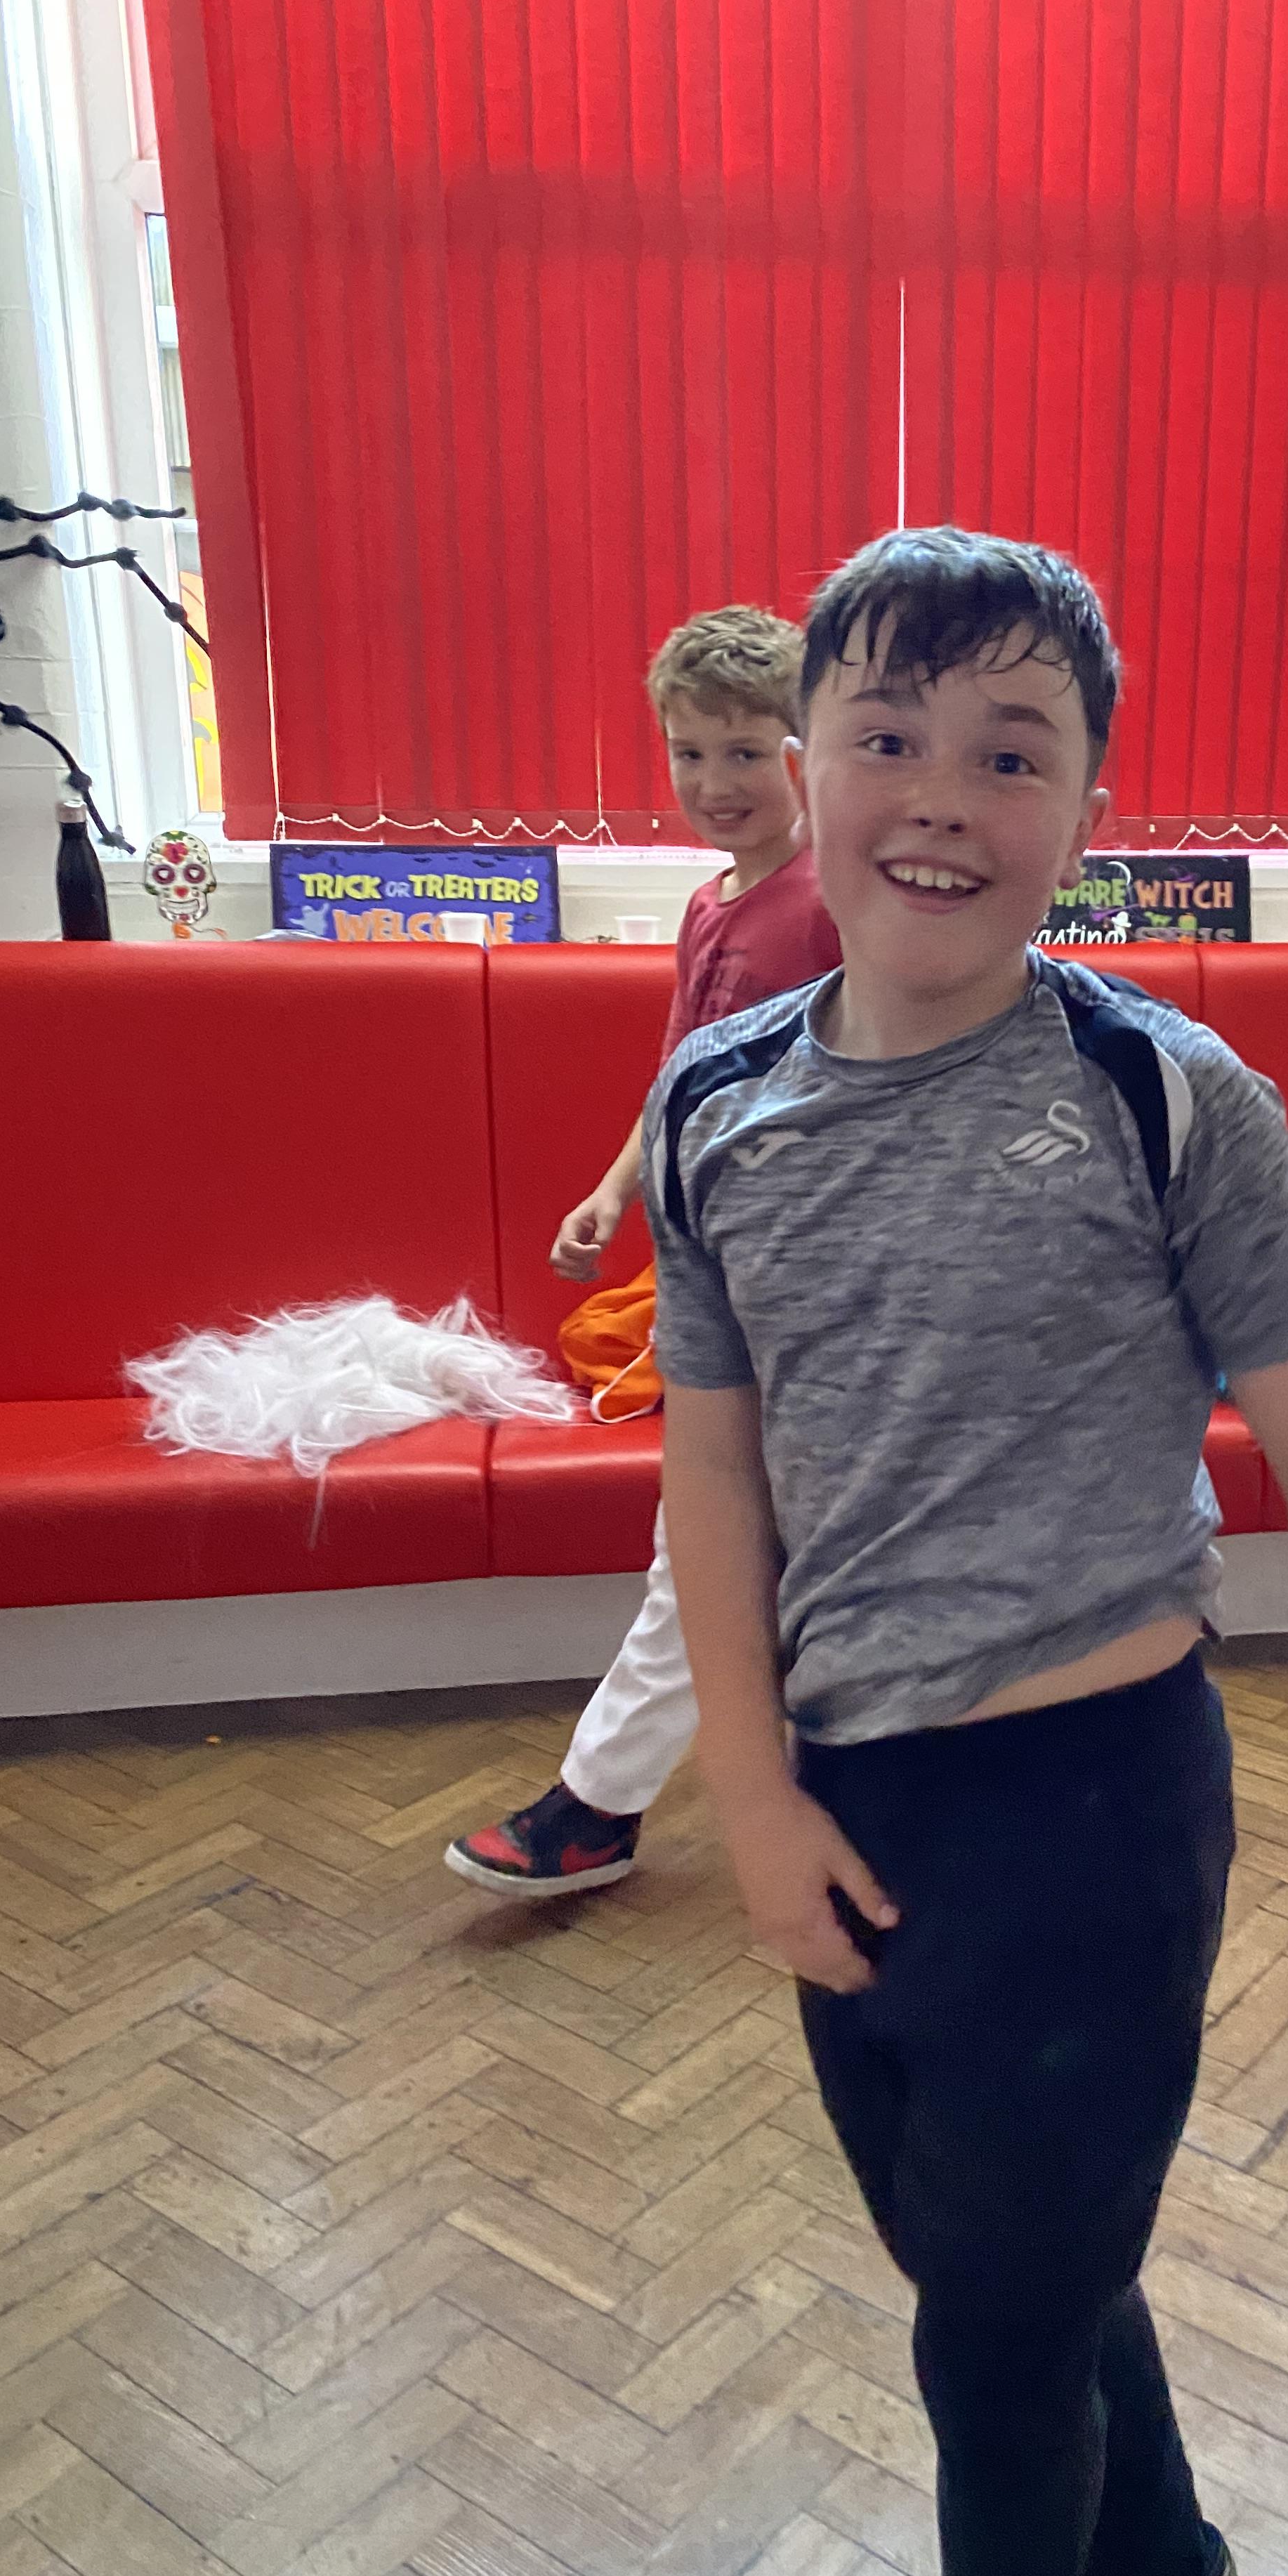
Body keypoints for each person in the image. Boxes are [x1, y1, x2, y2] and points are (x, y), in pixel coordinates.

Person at [645, 525, 1288, 2576]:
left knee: (990, 2350)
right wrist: (750, 1793)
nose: (941, 798)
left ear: (1092, 807)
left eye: (1011, 754)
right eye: (888, 736)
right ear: (801, 768)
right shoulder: (717, 1105)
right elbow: (712, 1478)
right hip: (850, 1799)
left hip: (1094, 1820)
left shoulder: (1166, 1094)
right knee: (999, 2257)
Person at [445, 606, 839, 1897]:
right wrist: (614, 1194)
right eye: (689, 754)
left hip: (804, 1286)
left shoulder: (837, 901)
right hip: (714, 1271)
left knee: (710, 1549)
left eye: (746, 752)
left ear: (805, 750)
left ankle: (597, 1806)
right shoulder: (710, 904)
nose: (715, 783)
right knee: (734, 1547)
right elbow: (684, 1075)